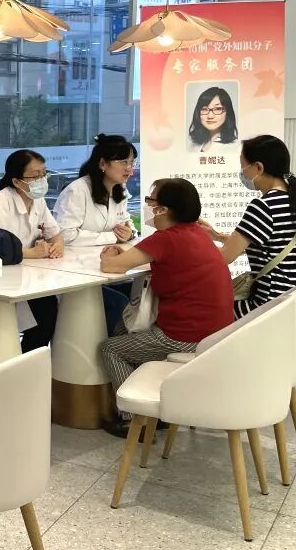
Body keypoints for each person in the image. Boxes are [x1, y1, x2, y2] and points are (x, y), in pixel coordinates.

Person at [97, 178, 234, 437]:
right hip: (215, 334)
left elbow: (110, 266)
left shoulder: (165, 239)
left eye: (151, 201)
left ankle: (134, 418)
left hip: (184, 337)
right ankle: (149, 401)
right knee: (123, 328)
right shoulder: (197, 233)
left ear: (163, 210)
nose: (148, 206)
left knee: (110, 348)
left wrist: (110, 255)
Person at [199, 135, 296, 318]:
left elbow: (225, 257)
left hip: (268, 305)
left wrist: (191, 243)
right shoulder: (294, 200)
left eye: (243, 167)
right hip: (295, 301)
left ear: (258, 167)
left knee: (205, 313)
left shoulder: (263, 206)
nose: (242, 173)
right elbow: (265, 245)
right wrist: (215, 235)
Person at [0, 149, 64, 352]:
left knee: (47, 313)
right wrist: (31, 253)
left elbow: (55, 233)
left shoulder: (37, 200)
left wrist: (58, 245)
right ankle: (20, 362)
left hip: (21, 276)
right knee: (40, 318)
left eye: (44, 174)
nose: (42, 180)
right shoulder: (2, 200)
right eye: (35, 176)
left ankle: (28, 362)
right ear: (17, 181)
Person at [54, 134, 137, 335]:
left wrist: (130, 233)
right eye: (123, 162)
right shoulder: (78, 191)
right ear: (102, 164)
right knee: (119, 303)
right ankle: (111, 349)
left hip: (104, 268)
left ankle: (119, 347)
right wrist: (113, 237)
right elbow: (66, 236)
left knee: (135, 294)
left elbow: (127, 224)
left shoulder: (119, 190)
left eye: (132, 162)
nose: (129, 169)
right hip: (75, 271)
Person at [188, 86, 239, 153]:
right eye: (205, 109)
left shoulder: (236, 148)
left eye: (218, 109)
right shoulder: (192, 146)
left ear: (228, 112)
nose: (210, 116)